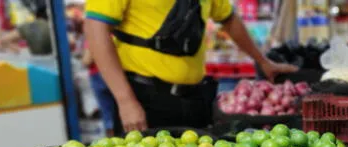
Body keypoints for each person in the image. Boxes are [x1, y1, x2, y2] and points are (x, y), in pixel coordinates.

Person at [84, 0, 297, 133]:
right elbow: (96, 29)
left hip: (195, 101)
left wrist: (263, 61)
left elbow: (229, 19)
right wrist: (126, 101)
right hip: (145, 99)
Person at [82, 40, 117, 136]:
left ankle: (112, 139)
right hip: (115, 74)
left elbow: (87, 60)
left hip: (98, 75)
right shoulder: (113, 34)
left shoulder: (93, 36)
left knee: (106, 111)